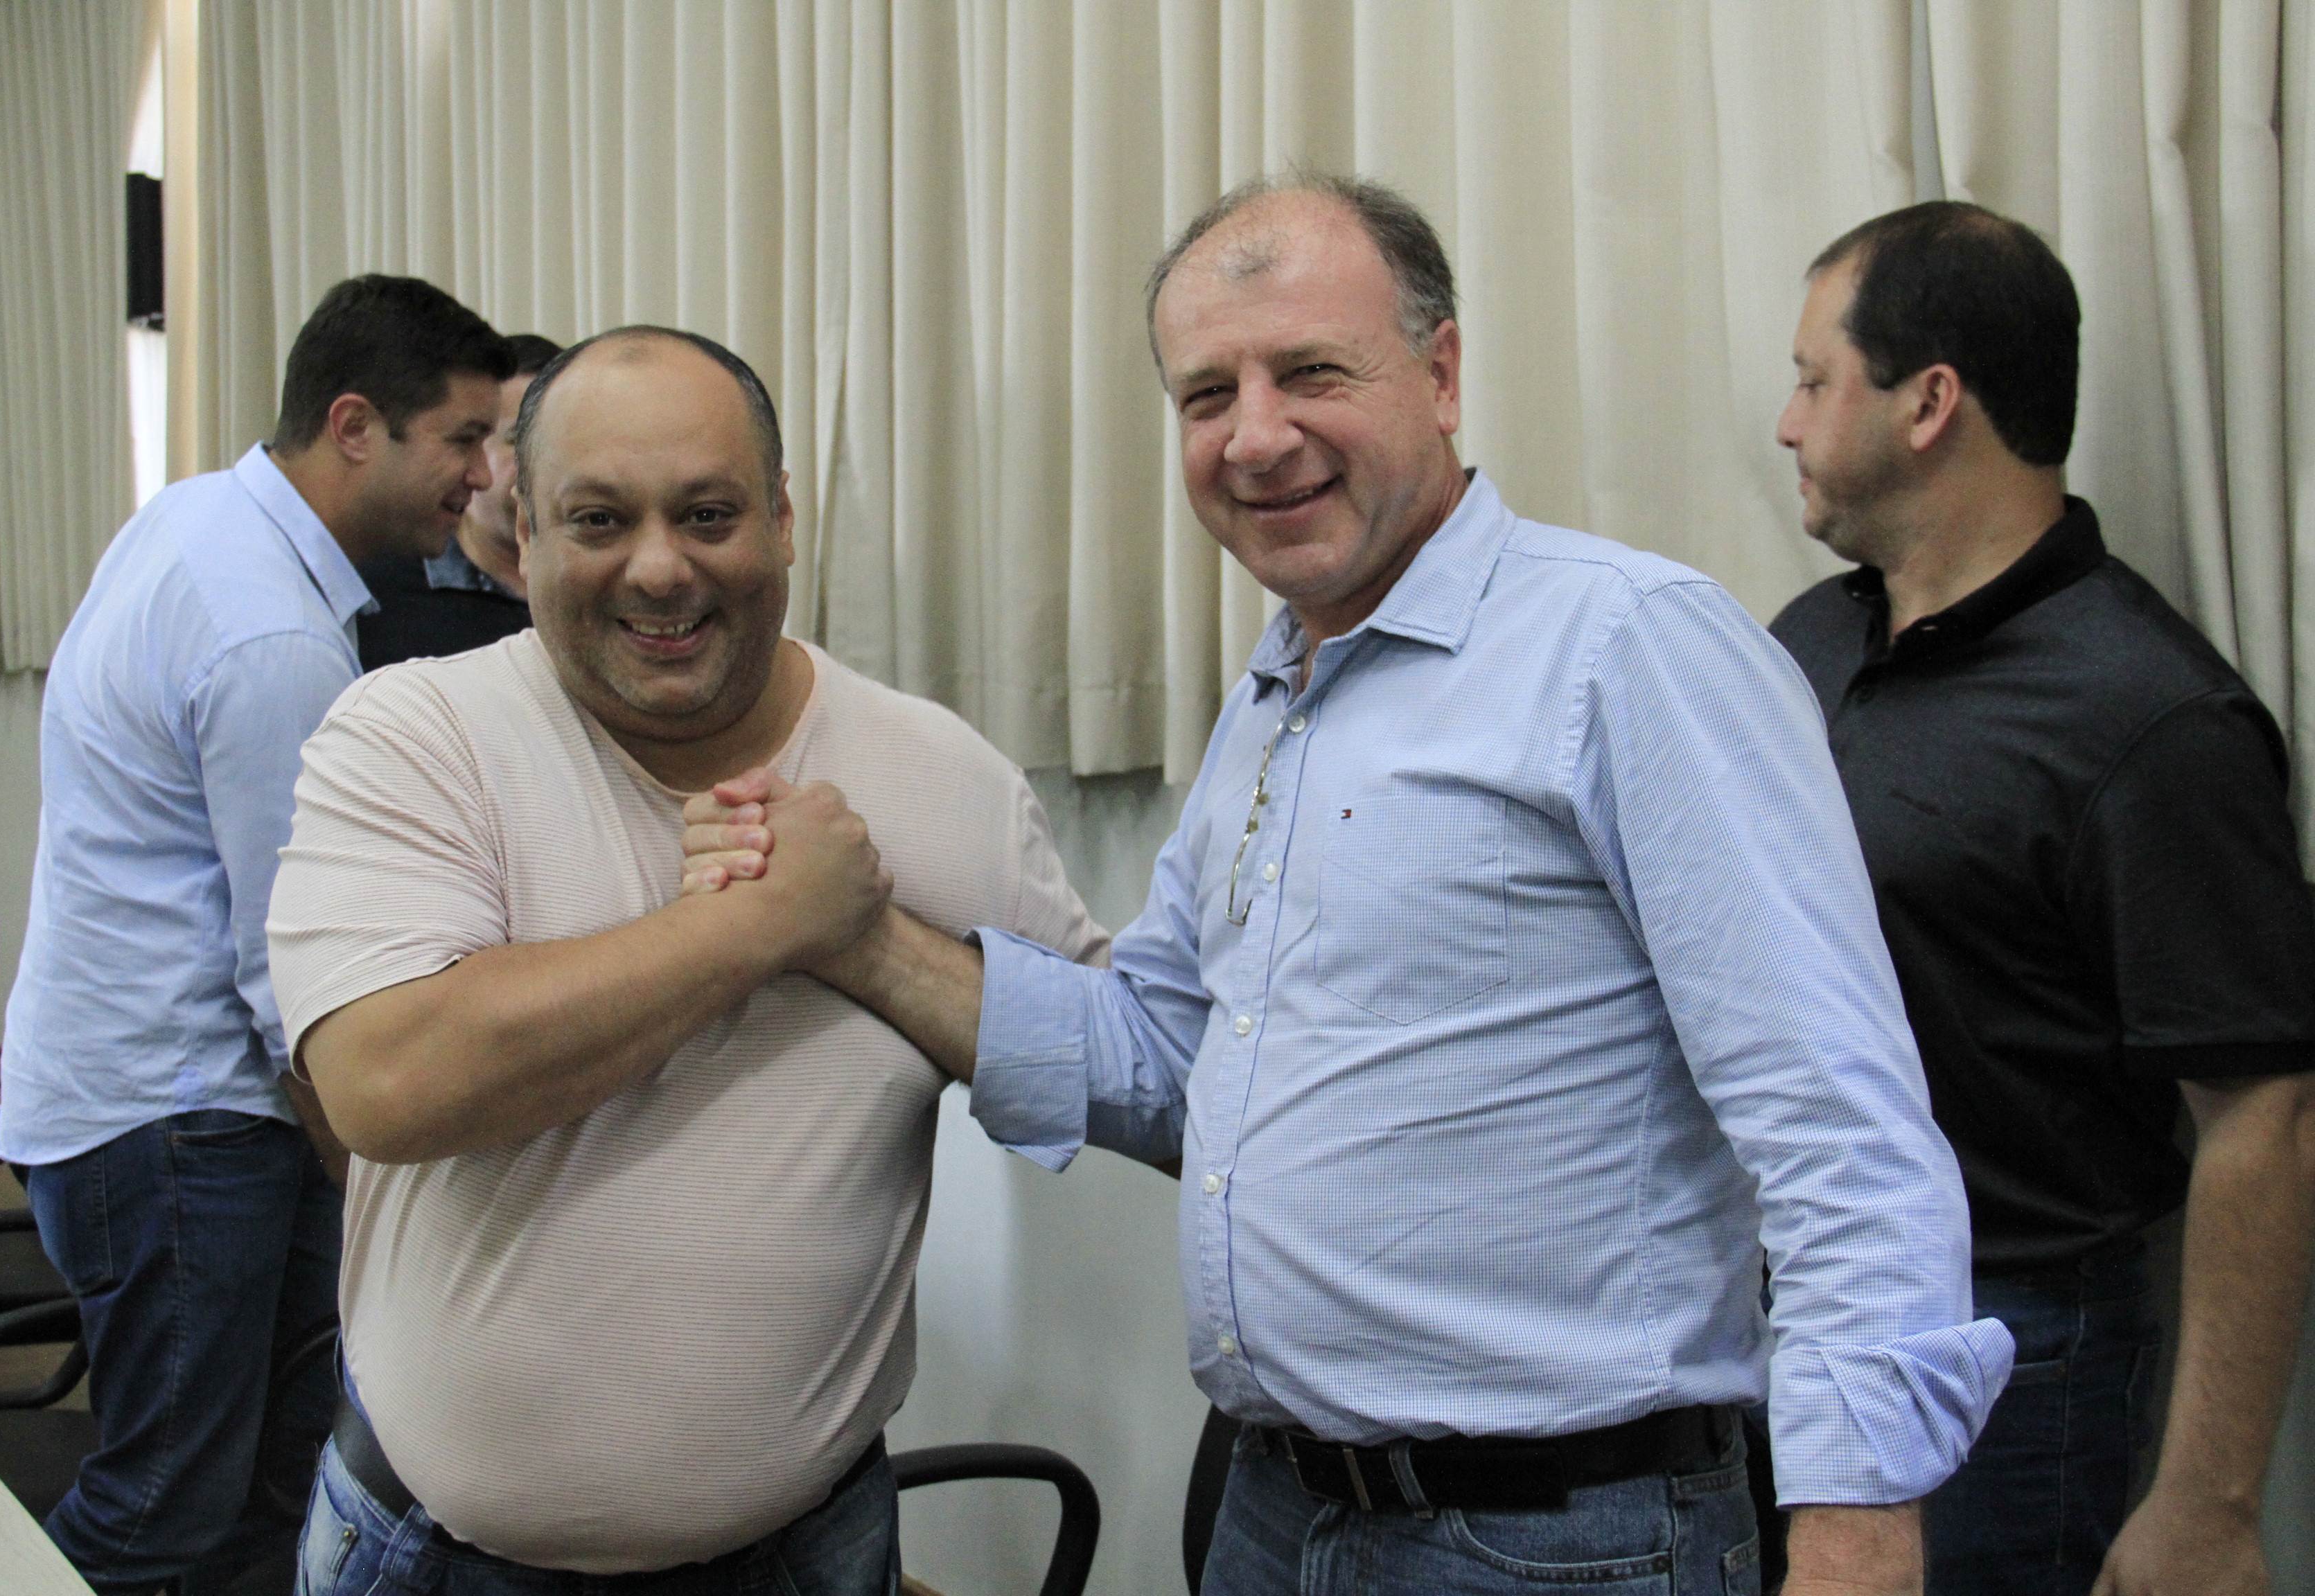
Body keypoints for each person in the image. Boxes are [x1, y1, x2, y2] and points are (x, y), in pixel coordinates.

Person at [696, 172, 2012, 1596]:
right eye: (1208, 395)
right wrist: (857, 938)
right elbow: (1163, 1058)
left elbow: (1837, 1123)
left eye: (1311, 372)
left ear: (1440, 376)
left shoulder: (1627, 646)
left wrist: (1859, 1529)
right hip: (1278, 1511)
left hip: (1562, 1541)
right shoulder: (1278, 694)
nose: (1257, 436)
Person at [265, 325, 1104, 1593]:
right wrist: (756, 925)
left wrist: (871, 943)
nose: (660, 569)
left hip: (815, 1549)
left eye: (708, 514)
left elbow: (1114, 1070)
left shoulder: (944, 777)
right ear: (523, 531)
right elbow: (389, 1081)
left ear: (782, 520)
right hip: (437, 1560)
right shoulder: (416, 736)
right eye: (599, 520)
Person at [1770, 201, 2315, 1596]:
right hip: (1788, 1310)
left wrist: (2208, 1501)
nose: (1787, 424)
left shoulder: (2153, 718)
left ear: (1928, 403)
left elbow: (2263, 1117)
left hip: (2011, 1354)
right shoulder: (1809, 642)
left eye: (1815, 380)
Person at [0, 274, 509, 1594]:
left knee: (268, 1481)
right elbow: (299, 980)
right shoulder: (270, 633)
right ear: (355, 425)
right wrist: (379, 1179)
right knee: (162, 1507)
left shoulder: (198, 518)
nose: (482, 476)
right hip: (178, 1120)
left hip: (135, 1092)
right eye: (461, 439)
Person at [356, 332, 562, 668]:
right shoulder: (380, 596)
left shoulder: (609, 586)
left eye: (561, 441)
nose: (546, 462)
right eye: (519, 440)